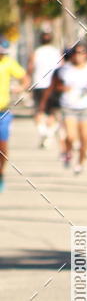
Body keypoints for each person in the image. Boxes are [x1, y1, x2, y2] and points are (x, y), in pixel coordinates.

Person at [42, 41, 87, 173]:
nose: (78, 56)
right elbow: (54, 86)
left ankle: (81, 162)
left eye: (81, 52)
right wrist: (62, 88)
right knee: (71, 136)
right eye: (75, 53)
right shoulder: (64, 69)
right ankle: (67, 151)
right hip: (69, 106)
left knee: (85, 138)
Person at [0, 38, 30, 194]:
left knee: (3, 147)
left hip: (3, 111)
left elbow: (25, 79)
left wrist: (20, 88)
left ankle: (1, 173)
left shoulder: (8, 63)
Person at [28, 27, 61, 148]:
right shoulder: (56, 52)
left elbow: (30, 68)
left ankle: (44, 133)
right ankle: (49, 134)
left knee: (39, 111)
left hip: (39, 85)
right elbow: (61, 67)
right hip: (53, 86)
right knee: (52, 112)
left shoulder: (36, 52)